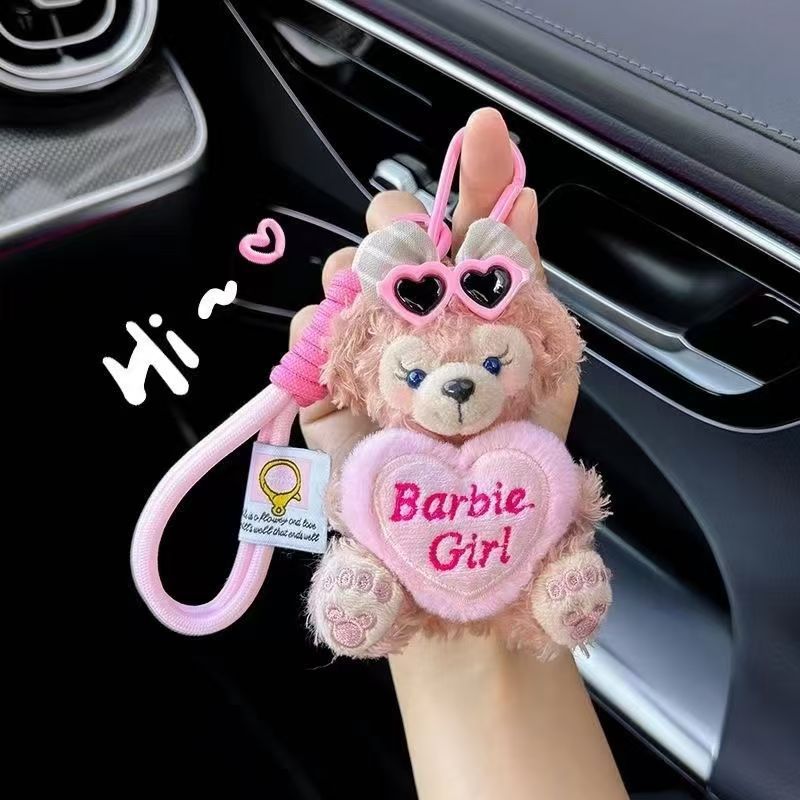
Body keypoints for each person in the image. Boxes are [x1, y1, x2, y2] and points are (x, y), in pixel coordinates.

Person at [289, 108, 628, 800]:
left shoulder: (527, 454)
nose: (459, 384)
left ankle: (547, 589)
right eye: (414, 373)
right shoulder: (380, 467)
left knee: (557, 531)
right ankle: (376, 588)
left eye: (493, 361)